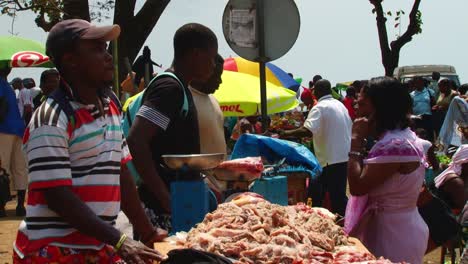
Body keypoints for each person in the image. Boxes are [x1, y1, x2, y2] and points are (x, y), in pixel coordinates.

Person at [13, 19, 166, 263]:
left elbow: (120, 170)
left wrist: (146, 230)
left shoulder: (111, 104)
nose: (107, 57)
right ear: (70, 60)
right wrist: (119, 240)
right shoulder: (52, 119)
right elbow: (57, 195)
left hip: (98, 245)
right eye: (96, 49)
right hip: (52, 249)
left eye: (106, 48)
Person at [127, 23, 218, 232]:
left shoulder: (181, 88)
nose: (213, 65)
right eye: (211, 57)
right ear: (196, 54)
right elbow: (136, 140)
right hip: (163, 207)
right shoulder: (169, 88)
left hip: (180, 197)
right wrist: (164, 196)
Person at [346, 77, 428, 263]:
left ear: (380, 109)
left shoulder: (395, 145)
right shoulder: (399, 139)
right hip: (395, 227)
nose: (356, 108)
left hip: (394, 235)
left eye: (363, 104)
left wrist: (356, 140)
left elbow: (358, 187)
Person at [281, 79, 352, 216]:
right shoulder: (339, 105)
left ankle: (346, 223)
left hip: (329, 159)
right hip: (342, 155)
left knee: (331, 196)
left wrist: (285, 133)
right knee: (326, 193)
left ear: (317, 92)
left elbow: (307, 130)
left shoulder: (320, 107)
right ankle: (334, 219)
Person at [0, 67, 27, 217]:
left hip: (4, 129)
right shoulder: (8, 86)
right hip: (18, 129)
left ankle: (1, 207)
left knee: (2, 167)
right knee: (19, 167)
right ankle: (20, 206)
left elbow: (1, 107)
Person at [189, 54, 226, 154]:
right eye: (216, 76)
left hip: (217, 168)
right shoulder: (185, 97)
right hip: (196, 168)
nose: (220, 81)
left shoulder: (214, 100)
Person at [411, 76, 435, 142]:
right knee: (418, 136)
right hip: (417, 118)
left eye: (419, 82)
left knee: (429, 135)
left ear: (422, 82)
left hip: (428, 117)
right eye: (415, 83)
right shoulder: (411, 95)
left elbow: (434, 103)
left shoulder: (430, 92)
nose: (417, 84)